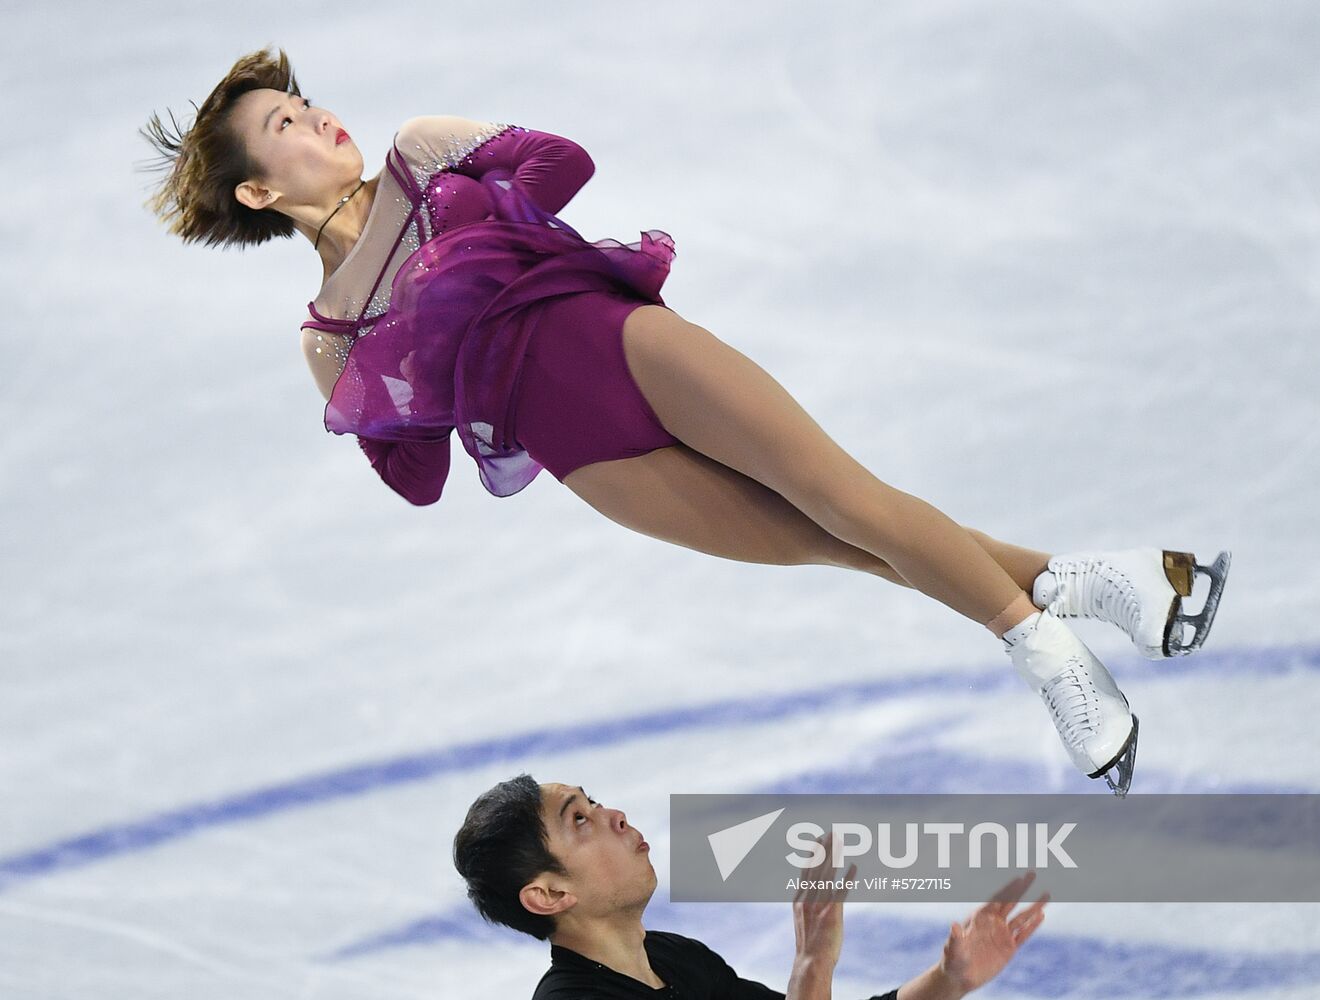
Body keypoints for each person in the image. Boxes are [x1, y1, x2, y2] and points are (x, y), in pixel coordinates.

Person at [139, 47, 1232, 793]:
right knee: (834, 543)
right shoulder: (327, 335)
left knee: (849, 498)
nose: (316, 117)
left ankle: (1056, 662)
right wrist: (381, 403)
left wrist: (479, 216)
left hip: (619, 345)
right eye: (283, 125)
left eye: (302, 102)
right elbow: (417, 475)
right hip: (586, 456)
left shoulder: (423, 155)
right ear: (253, 192)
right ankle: (1121, 583)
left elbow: (563, 162)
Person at [452, 775, 1050, 999]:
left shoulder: (677, 960)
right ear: (550, 895)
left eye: (596, 800)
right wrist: (813, 968)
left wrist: (950, 980)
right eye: (579, 819)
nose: (616, 815)